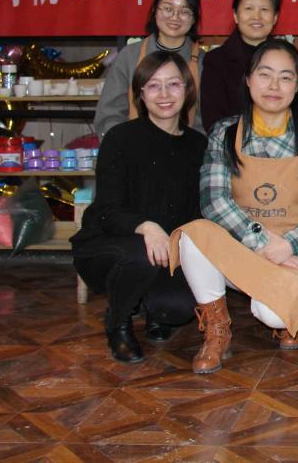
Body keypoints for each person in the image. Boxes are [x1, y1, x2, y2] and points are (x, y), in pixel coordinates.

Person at [169, 39, 298, 373]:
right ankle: (217, 330)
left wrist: (289, 246)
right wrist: (264, 243)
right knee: (193, 235)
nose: (274, 85)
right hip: (245, 245)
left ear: (297, 86)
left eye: (286, 77)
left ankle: (287, 317)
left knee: (272, 315)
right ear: (248, 80)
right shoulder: (224, 132)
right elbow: (214, 202)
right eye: (265, 74)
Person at [73, 51, 206, 363]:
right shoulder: (120, 138)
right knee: (138, 255)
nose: (164, 94)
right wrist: (146, 226)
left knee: (177, 308)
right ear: (141, 94)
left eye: (173, 84)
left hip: (167, 250)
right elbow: (107, 210)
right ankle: (118, 323)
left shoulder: (198, 145)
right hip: (112, 245)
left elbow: (198, 211)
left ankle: (149, 305)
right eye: (153, 86)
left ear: (187, 90)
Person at [95, 0, 203, 137]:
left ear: (193, 18)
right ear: (154, 11)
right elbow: (109, 115)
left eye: (184, 11)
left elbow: (207, 122)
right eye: (168, 8)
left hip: (187, 149)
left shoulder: (204, 62)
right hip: (132, 147)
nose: (175, 17)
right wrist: (122, 145)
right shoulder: (129, 57)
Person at [200, 0, 281, 132]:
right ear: (236, 15)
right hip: (230, 143)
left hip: (281, 143)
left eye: (264, 9)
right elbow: (213, 121)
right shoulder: (216, 61)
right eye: (249, 8)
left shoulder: (286, 60)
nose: (256, 16)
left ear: (275, 17)